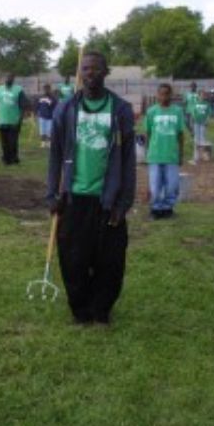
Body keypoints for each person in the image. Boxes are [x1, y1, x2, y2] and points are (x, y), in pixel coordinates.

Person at [47, 51, 136, 325]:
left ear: (106, 72)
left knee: (110, 262)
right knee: (73, 259)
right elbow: (55, 155)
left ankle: (101, 309)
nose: (90, 73)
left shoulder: (120, 110)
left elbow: (128, 160)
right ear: (79, 73)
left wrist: (123, 203)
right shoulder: (66, 108)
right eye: (85, 69)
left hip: (107, 199)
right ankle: (81, 310)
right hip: (74, 197)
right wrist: (52, 193)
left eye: (96, 69)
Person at [144, 83, 184, 219]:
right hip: (155, 155)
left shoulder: (177, 111)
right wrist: (147, 153)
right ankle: (155, 209)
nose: (164, 97)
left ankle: (168, 209)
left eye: (167, 93)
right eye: (161, 94)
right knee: (155, 187)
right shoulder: (151, 112)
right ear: (157, 95)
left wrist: (181, 154)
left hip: (171, 155)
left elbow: (180, 134)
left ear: (171, 95)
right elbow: (148, 133)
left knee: (172, 185)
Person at [0, 73, 28, 164]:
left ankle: (14, 158)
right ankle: (6, 158)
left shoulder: (18, 90)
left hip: (14, 120)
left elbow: (23, 106)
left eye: (10, 77)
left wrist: (20, 119)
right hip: (2, 120)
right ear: (3, 78)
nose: (8, 78)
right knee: (4, 142)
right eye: (6, 77)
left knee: (13, 141)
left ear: (13, 79)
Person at [189, 90, 212, 164]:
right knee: (196, 139)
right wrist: (192, 123)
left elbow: (209, 114)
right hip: (196, 123)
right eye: (201, 95)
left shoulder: (207, 104)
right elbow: (193, 114)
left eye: (204, 95)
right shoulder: (195, 104)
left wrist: (207, 121)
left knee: (202, 139)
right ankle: (196, 156)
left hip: (203, 123)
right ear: (198, 96)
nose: (202, 96)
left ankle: (203, 156)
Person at [35, 83, 56, 148]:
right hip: (42, 117)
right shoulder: (40, 97)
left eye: (47, 89)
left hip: (50, 117)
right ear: (43, 90)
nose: (46, 90)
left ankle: (49, 143)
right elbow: (37, 106)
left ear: (50, 89)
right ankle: (43, 143)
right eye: (45, 89)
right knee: (42, 130)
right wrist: (36, 112)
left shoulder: (53, 98)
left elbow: (55, 107)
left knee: (49, 131)